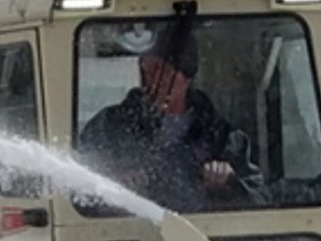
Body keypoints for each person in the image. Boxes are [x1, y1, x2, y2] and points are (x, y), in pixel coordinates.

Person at [79, 27, 263, 212]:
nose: (152, 80)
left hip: (205, 229)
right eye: (146, 69)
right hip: (129, 229)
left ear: (186, 77)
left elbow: (261, 201)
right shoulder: (108, 127)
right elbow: (78, 195)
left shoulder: (223, 137)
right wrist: (113, 186)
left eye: (162, 71)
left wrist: (229, 182)